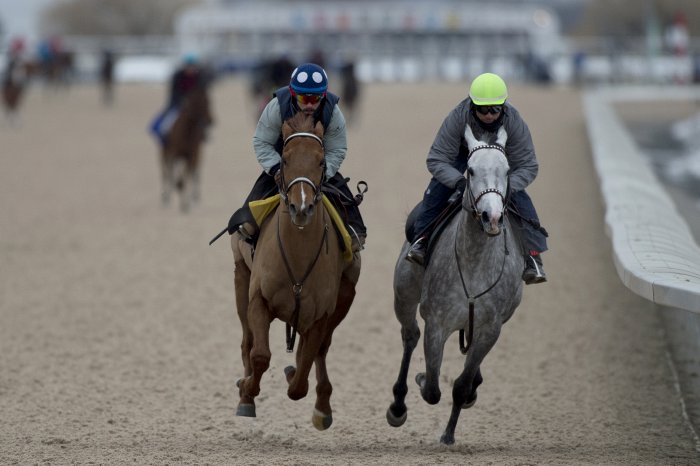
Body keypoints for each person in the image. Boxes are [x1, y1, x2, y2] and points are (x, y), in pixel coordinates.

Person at [405, 72, 548, 285]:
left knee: (522, 201)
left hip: (499, 160)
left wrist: (506, 186)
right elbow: (437, 159)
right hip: (461, 156)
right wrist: (459, 182)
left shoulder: (514, 120)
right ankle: (421, 241)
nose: (489, 115)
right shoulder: (458, 116)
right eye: (483, 109)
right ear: (472, 105)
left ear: (503, 106)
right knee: (436, 192)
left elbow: (528, 165)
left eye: (495, 109)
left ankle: (533, 257)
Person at [227, 62, 367, 252]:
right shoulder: (276, 106)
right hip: (283, 165)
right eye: (303, 97)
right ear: (293, 94)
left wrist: (325, 171)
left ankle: (354, 231)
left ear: (324, 95)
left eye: (315, 98)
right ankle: (248, 232)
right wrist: (276, 169)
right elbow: (262, 142)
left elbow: (337, 149)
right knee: (255, 201)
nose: (309, 104)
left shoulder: (333, 112)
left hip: (317, 167)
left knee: (344, 196)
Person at [150, 53, 210, 146]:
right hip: (177, 104)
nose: (190, 69)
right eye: (188, 66)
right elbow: (174, 93)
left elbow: (201, 92)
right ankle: (165, 140)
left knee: (203, 121)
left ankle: (202, 136)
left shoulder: (199, 77)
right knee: (162, 125)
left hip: (194, 107)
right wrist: (181, 102)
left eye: (192, 66)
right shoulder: (178, 76)